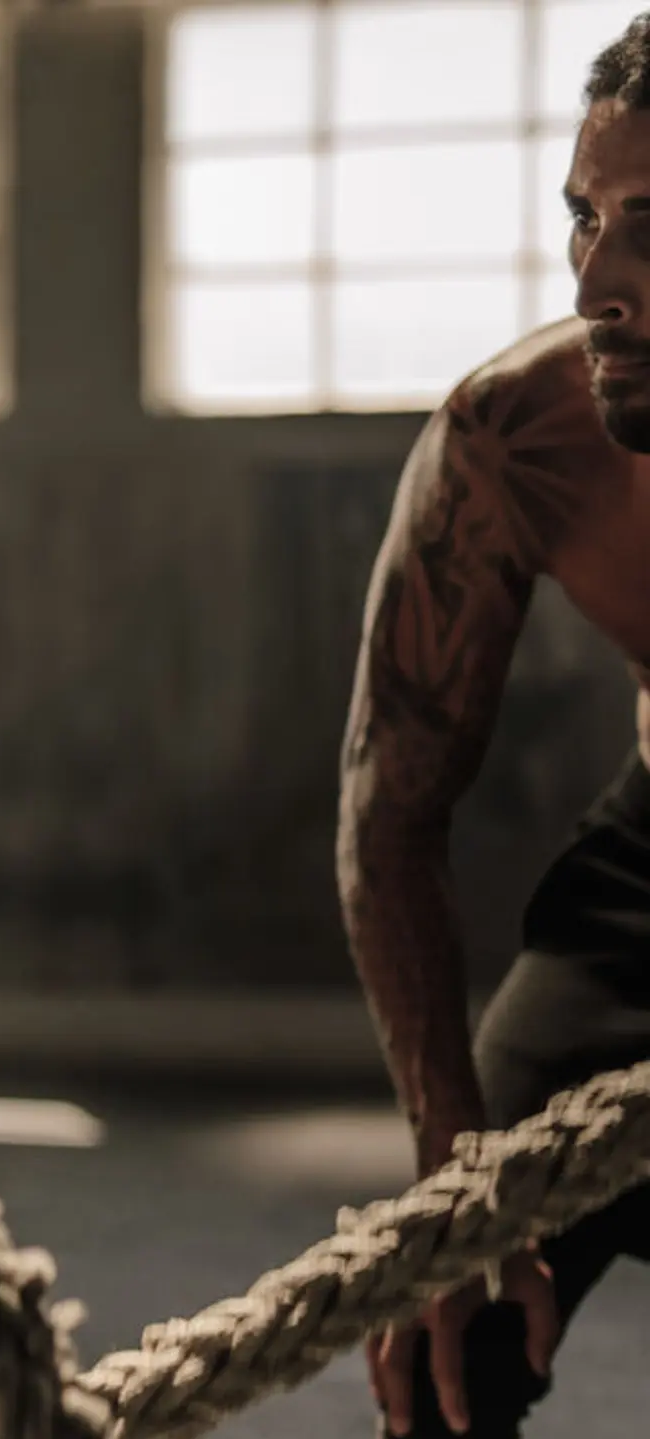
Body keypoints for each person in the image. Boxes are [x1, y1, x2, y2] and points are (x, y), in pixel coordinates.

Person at [338, 16, 650, 1439]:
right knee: (438, 1341)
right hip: (642, 884)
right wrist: (452, 1167)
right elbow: (389, 817)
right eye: (584, 217)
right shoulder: (518, 437)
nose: (596, 279)